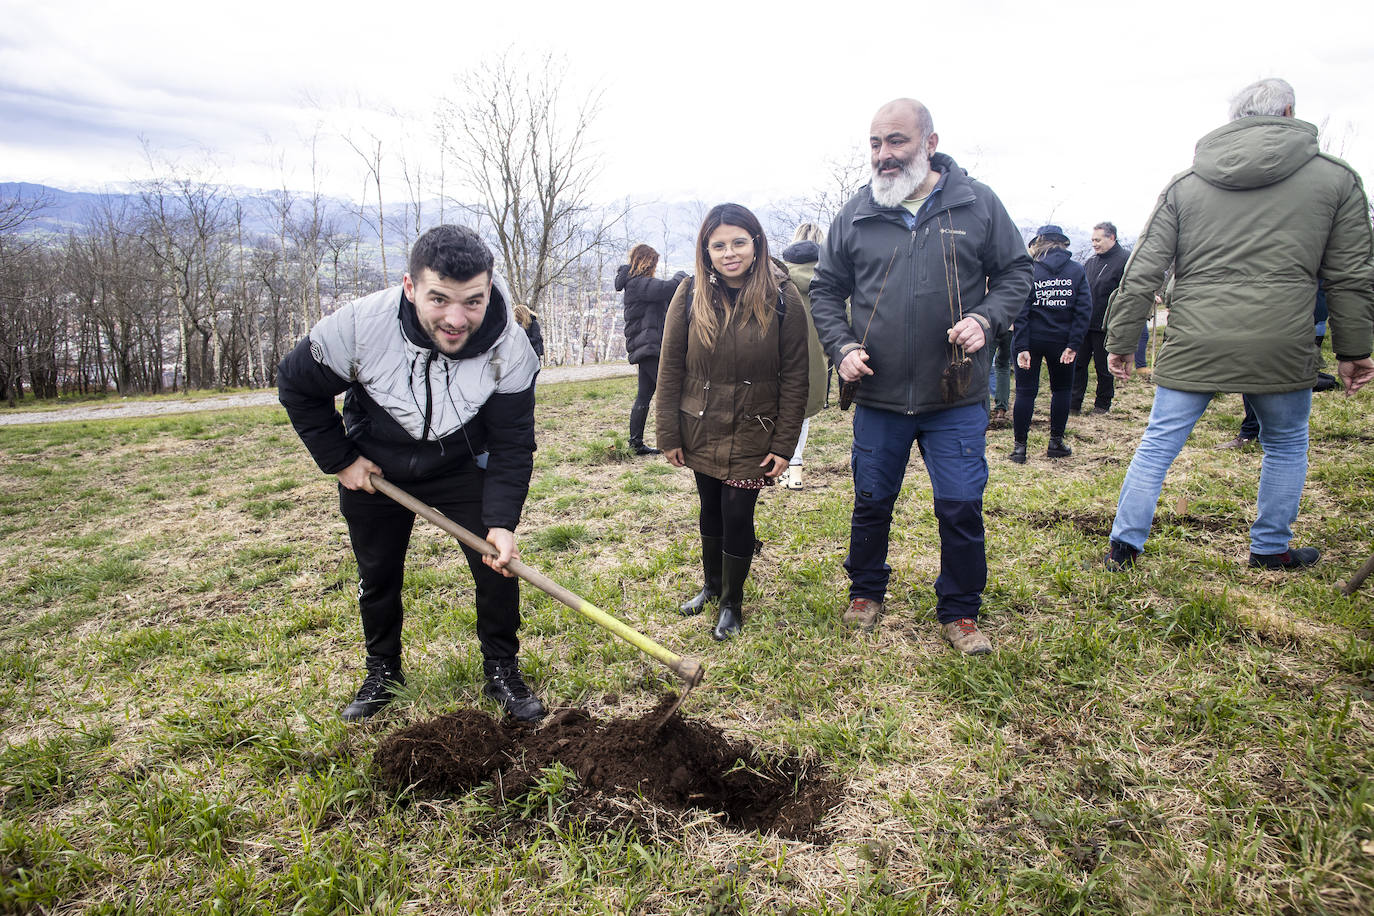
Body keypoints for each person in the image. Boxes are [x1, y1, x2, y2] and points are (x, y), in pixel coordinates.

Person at [277, 225, 546, 722]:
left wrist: (503, 521)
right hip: (376, 465)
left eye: (473, 301)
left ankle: (502, 670)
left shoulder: (510, 346)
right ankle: (383, 671)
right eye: (439, 298)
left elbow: (512, 442)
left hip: (461, 460)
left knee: (496, 566)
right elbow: (296, 386)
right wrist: (340, 459)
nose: (455, 317)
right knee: (377, 574)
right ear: (409, 287)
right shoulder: (359, 327)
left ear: (489, 290)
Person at [1103, 78, 1374, 573]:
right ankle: (1270, 547)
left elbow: (1143, 269)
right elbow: (1350, 276)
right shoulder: (1336, 180)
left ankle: (1123, 548)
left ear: (1234, 119)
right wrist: (1355, 350)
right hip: (1282, 338)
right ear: (1289, 110)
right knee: (1287, 443)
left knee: (1158, 442)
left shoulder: (1186, 184)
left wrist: (1120, 340)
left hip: (1196, 338)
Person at [808, 98, 1032, 654]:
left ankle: (960, 611)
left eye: (897, 142)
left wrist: (987, 317)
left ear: (929, 143)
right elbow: (825, 291)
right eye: (876, 143)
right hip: (879, 395)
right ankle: (865, 592)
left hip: (954, 394)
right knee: (871, 499)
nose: (885, 155)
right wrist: (840, 348)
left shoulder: (976, 205)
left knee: (960, 505)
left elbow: (1016, 272)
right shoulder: (857, 214)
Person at [655, 203, 809, 640]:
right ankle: (711, 584)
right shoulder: (688, 294)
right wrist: (668, 432)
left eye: (739, 242)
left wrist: (784, 444)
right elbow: (670, 368)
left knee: (737, 512)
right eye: (719, 245)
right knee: (710, 509)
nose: (730, 253)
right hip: (700, 424)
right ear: (706, 250)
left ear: (756, 244)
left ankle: (731, 604)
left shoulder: (782, 296)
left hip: (754, 429)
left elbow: (797, 375)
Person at [1009, 225, 1092, 463]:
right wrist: (1074, 343)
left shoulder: (1030, 270)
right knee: (1062, 391)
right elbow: (1084, 309)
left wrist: (1022, 346)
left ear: (1039, 243)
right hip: (1062, 342)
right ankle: (1055, 443)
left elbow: (1020, 310)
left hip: (1031, 340)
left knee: (1025, 392)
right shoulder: (1076, 270)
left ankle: (1019, 449)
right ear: (1063, 244)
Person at [615, 245, 687, 456]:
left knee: (644, 395)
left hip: (647, 347)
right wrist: (683, 275)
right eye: (654, 263)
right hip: (649, 347)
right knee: (672, 392)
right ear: (647, 262)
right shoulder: (638, 284)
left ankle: (636, 444)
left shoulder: (636, 284)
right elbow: (669, 287)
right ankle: (680, 440)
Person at [779, 221, 832, 489]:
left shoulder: (777, 277)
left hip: (780, 358)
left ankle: (778, 464)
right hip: (815, 360)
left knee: (779, 411)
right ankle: (796, 469)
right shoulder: (832, 278)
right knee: (803, 413)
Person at [1072, 221, 1130, 414]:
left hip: (1107, 325)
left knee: (1103, 367)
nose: (1094, 244)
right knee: (1078, 364)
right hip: (1085, 324)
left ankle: (1102, 404)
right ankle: (1074, 403)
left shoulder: (1125, 261)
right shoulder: (1091, 262)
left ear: (1111, 237)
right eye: (1092, 240)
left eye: (1098, 240)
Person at [987, 325, 1013, 427]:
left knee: (984, 367)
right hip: (1010, 327)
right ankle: (1001, 411)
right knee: (1003, 366)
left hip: (991, 326)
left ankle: (984, 409)